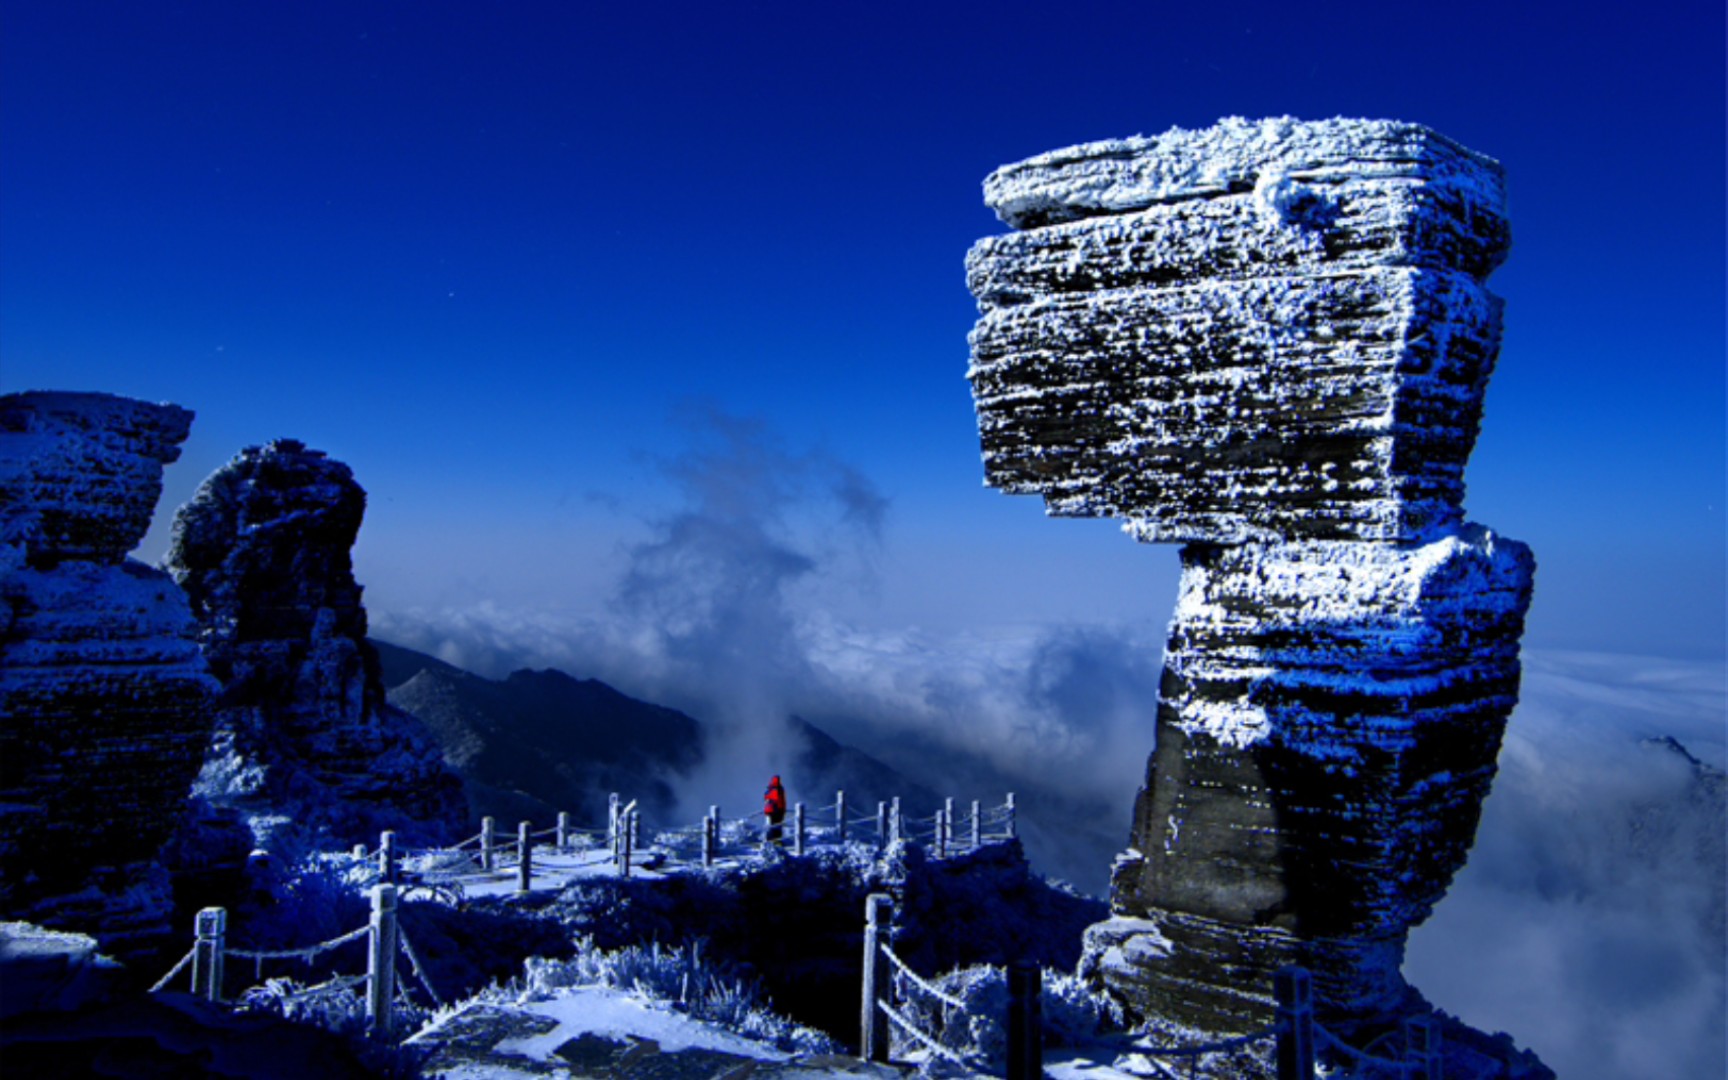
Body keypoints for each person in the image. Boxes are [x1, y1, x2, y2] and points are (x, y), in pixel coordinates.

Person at [763, 775, 787, 847]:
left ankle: (772, 841)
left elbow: (766, 796)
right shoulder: (779, 789)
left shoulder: (772, 788)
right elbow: (780, 800)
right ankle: (775, 841)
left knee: (773, 826)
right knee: (776, 826)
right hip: (778, 810)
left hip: (773, 810)